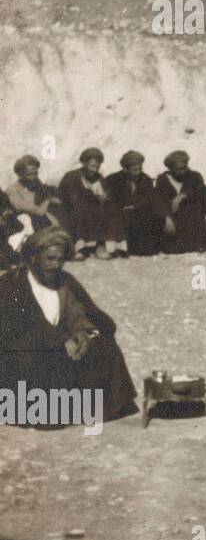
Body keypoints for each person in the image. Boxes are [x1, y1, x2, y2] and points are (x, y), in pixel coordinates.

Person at [0, 227, 139, 427]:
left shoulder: (65, 281)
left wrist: (83, 334)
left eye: (60, 259)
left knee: (105, 346)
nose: (56, 265)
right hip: (23, 352)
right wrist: (57, 341)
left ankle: (95, 408)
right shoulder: (12, 284)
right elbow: (13, 328)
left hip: (61, 347)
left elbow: (81, 313)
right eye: (50, 259)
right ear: (34, 258)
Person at [57, 148, 119, 260]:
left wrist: (104, 197)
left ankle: (100, 247)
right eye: (92, 166)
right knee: (80, 212)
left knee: (109, 210)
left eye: (97, 167)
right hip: (71, 208)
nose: (94, 170)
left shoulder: (99, 178)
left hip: (93, 207)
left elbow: (107, 194)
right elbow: (70, 197)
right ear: (84, 163)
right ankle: (79, 249)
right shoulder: (72, 176)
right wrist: (92, 196)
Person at [154, 150, 206, 254]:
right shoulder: (163, 179)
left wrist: (183, 196)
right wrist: (167, 219)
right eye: (178, 169)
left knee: (195, 208)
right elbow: (159, 200)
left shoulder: (195, 176)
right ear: (170, 168)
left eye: (184, 167)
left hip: (191, 217)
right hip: (171, 217)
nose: (182, 171)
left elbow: (200, 193)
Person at [105, 150, 161, 257]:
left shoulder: (145, 179)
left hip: (139, 212)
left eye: (140, 169)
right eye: (134, 169)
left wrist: (135, 205)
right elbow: (110, 197)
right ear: (125, 169)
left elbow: (149, 197)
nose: (138, 172)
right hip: (120, 212)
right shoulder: (113, 179)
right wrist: (124, 205)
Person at [6, 155, 67, 241]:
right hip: (25, 225)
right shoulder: (13, 190)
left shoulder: (36, 185)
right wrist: (48, 200)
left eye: (36, 173)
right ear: (20, 174)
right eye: (30, 174)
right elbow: (38, 212)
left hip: (43, 220)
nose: (34, 177)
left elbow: (55, 196)